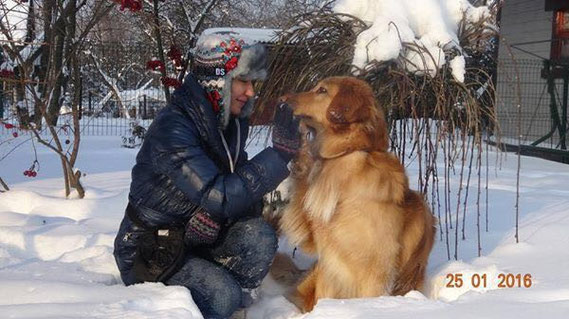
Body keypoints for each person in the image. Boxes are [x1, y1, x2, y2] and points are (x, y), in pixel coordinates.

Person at [113, 33, 301, 318]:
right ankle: (219, 302)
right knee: (221, 293)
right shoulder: (173, 129)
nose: (250, 92)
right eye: (243, 81)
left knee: (260, 236)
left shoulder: (228, 124)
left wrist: (220, 212)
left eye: (253, 83)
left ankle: (233, 306)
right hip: (151, 249)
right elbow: (222, 196)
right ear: (216, 80)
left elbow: (242, 200)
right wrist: (279, 155)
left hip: (196, 239)